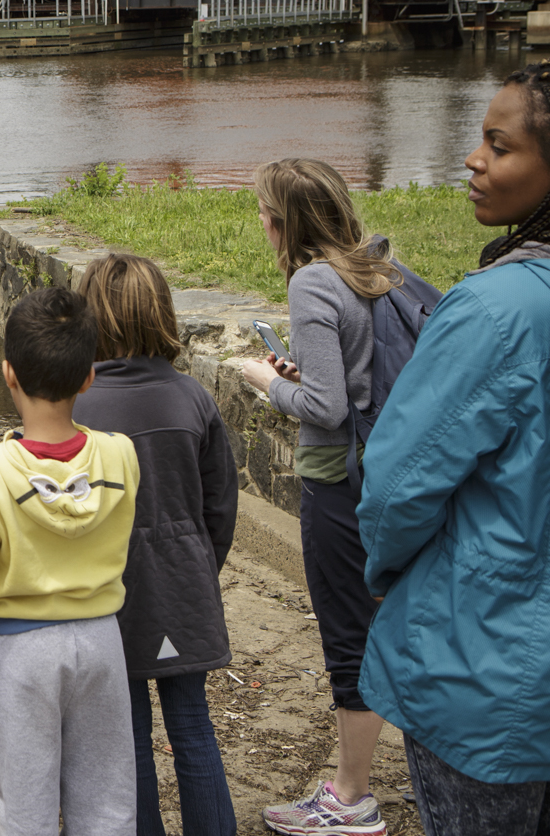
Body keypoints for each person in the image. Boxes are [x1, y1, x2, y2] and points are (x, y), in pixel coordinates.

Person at [357, 64, 550, 834]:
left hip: (484, 661)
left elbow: (400, 480)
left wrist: (383, 568)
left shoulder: (495, 309)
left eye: (498, 145)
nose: (474, 160)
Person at [0, 286, 140, 836]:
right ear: (88, 377)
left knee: (26, 806)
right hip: (101, 639)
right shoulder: (121, 456)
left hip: (21, 649)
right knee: (109, 800)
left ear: (8, 374)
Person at [240, 158, 401, 836]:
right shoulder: (372, 266)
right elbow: (358, 376)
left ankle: (351, 797)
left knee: (347, 637)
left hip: (337, 483)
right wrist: (305, 371)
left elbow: (328, 407)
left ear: (282, 222)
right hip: (382, 473)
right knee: (381, 621)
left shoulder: (310, 281)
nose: (260, 223)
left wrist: (264, 381)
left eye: (263, 213)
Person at [72, 254, 239, 836]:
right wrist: (198, 568)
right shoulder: (192, 397)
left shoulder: (77, 407)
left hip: (112, 595)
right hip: (184, 587)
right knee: (193, 727)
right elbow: (220, 506)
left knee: (129, 737)